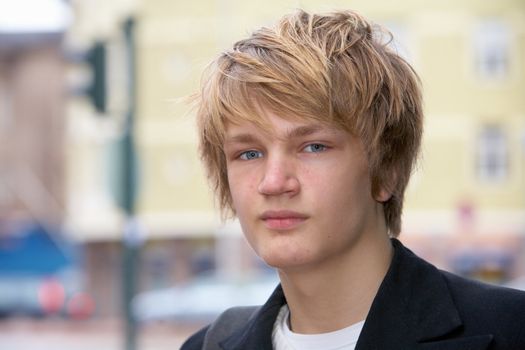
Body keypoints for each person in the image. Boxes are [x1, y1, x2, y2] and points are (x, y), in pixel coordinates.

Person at [181, 9, 525, 350]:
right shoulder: (204, 346)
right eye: (249, 154)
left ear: (386, 167)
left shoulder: (512, 330)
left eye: (313, 147)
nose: (273, 182)